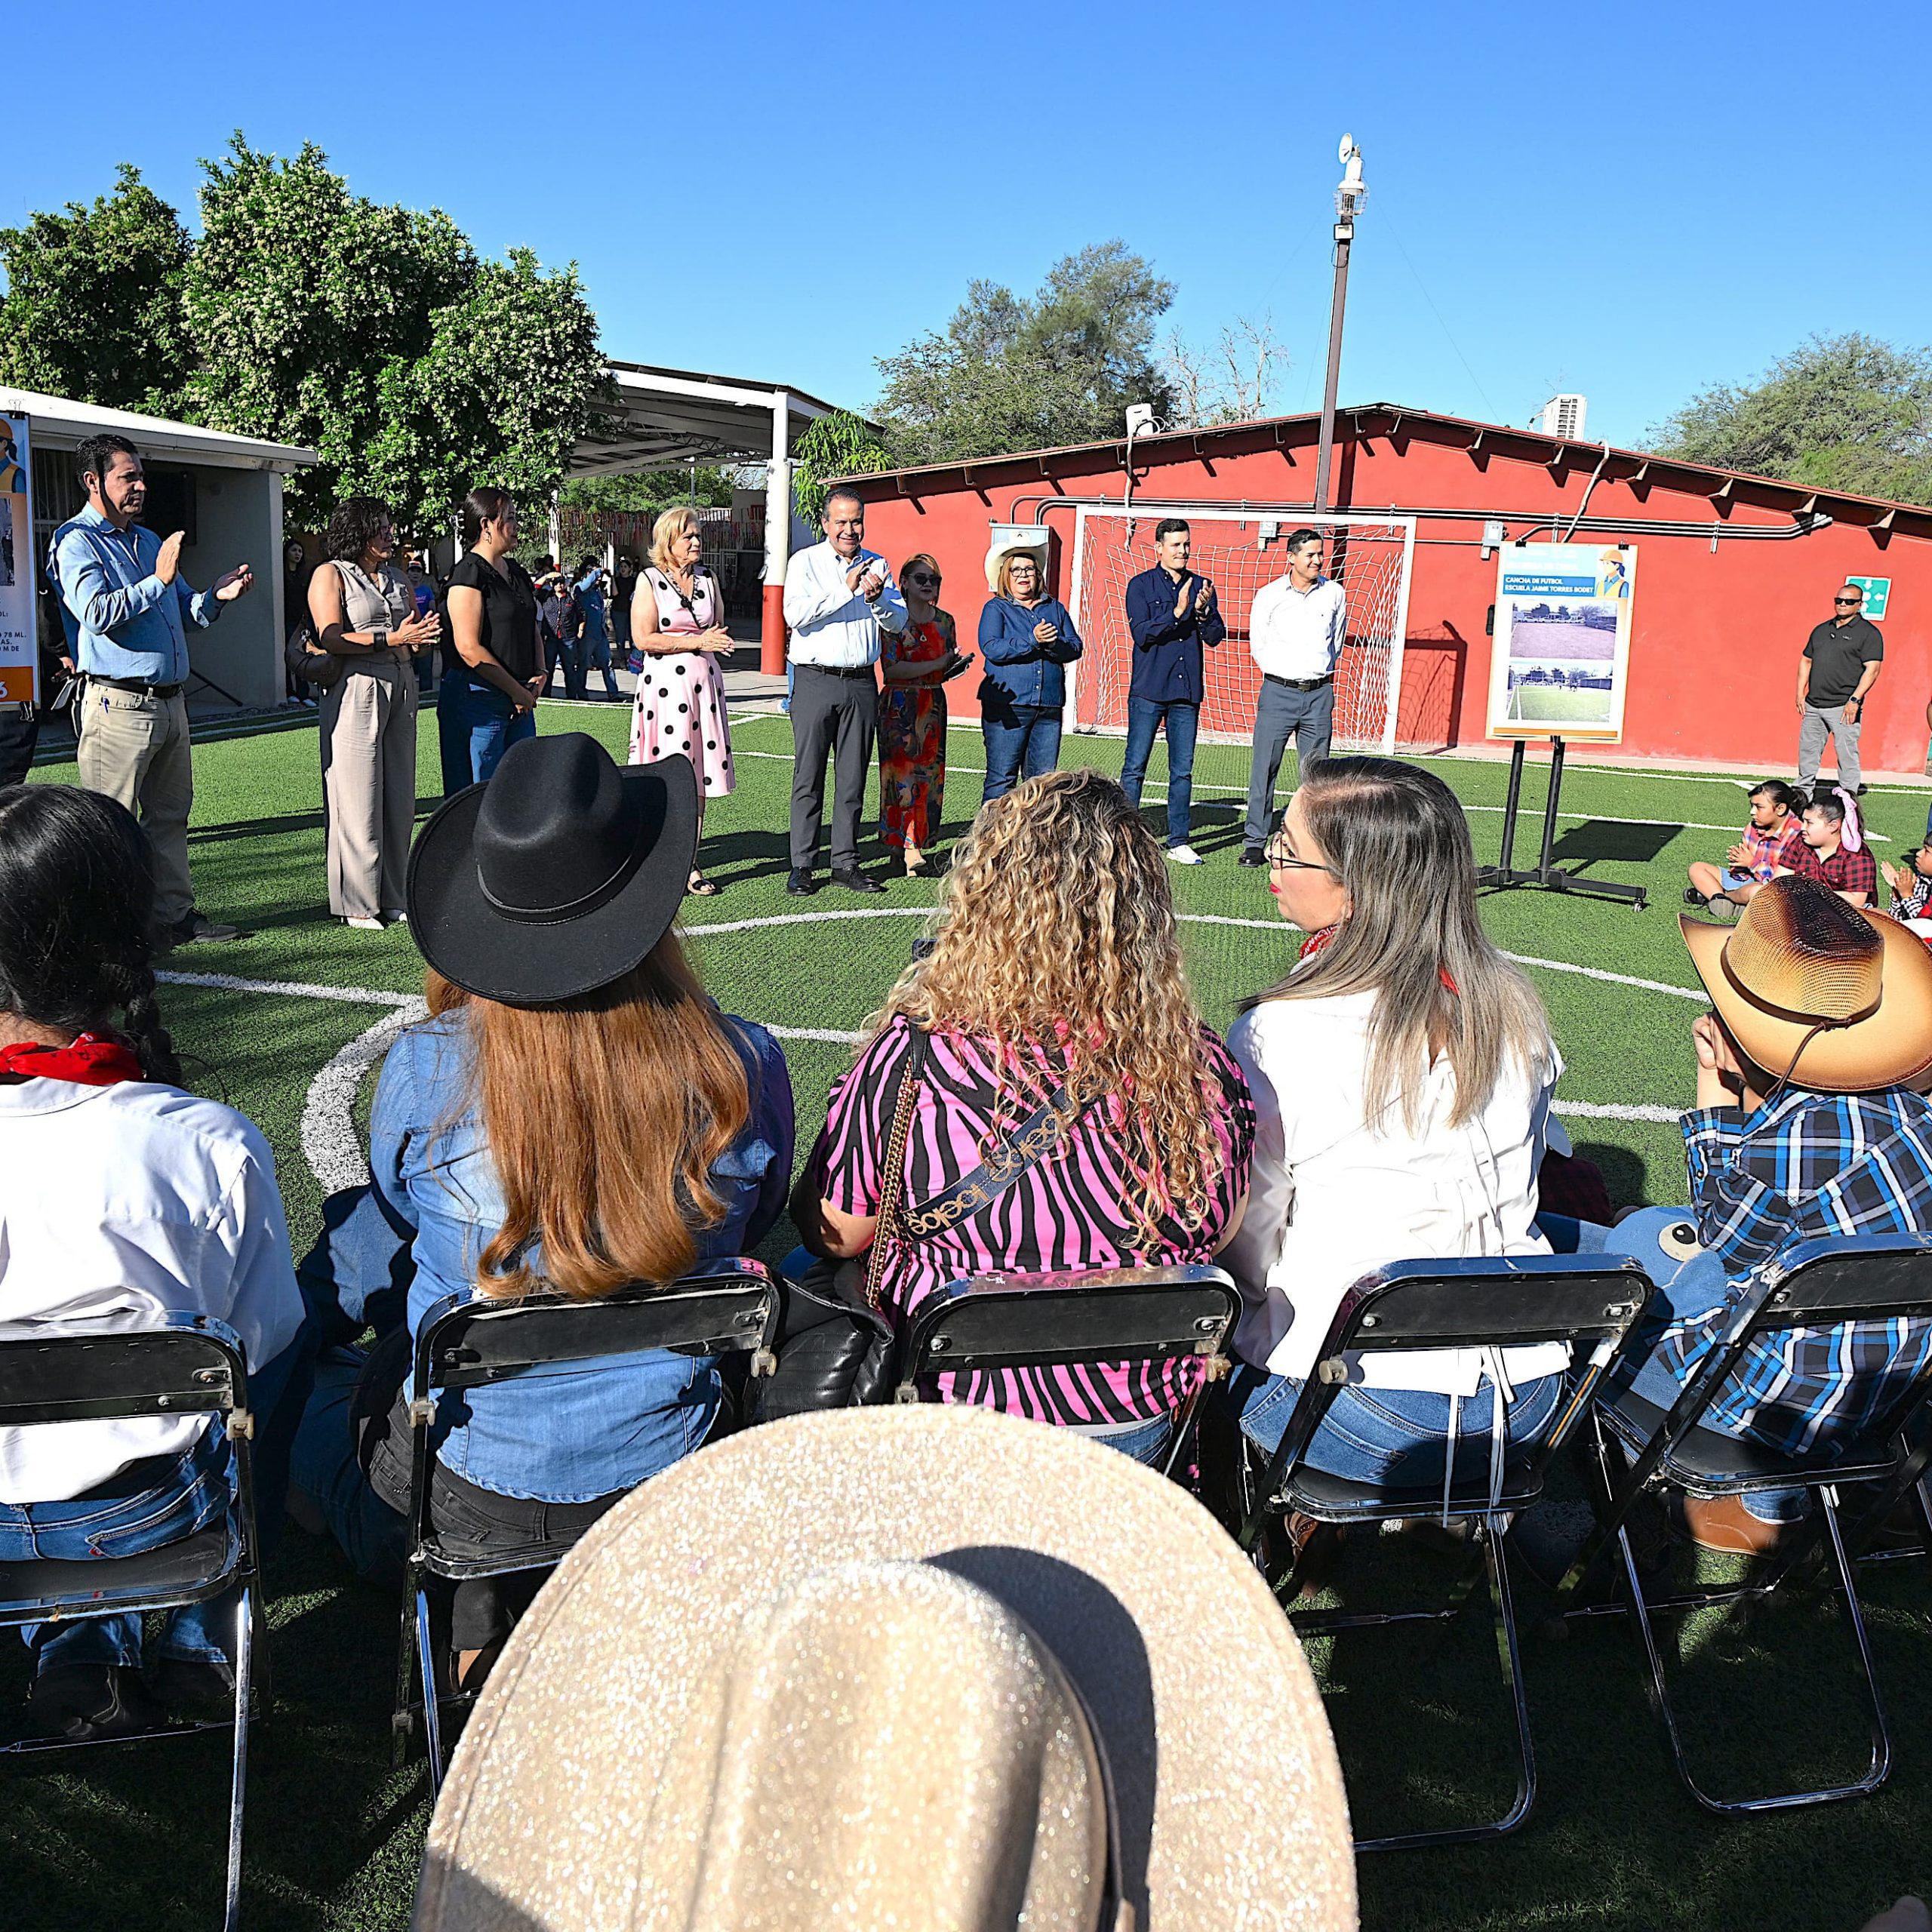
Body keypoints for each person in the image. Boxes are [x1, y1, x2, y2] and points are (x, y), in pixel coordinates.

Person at [411, 1407, 1358, 1932]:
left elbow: (837, 1221)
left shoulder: (910, 1076)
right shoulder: (1209, 1094)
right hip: (1140, 1429)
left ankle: (461, 1614)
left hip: (485, 1480)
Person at [291, 734, 793, 1684]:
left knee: (322, 1402)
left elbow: (398, 1210)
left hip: (474, 1480)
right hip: (666, 1468)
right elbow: (756, 1217)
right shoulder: (746, 1064)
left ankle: (470, 1602)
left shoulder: (425, 1067)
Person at [790, 768, 1254, 1465]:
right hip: (1136, 1418)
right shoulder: (1198, 1065)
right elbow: (1219, 1228)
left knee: (808, 1267)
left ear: (987, 902)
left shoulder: (918, 1057)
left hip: (958, 1405)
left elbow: (839, 1233)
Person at [0, 785, 306, 1740]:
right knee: (253, 1380)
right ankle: (198, 1634)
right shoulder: (205, 1141)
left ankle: (76, 1646)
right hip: (159, 1523)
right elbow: (263, 1348)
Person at [1223, 757, 1570, 1491]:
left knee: (1205, 1336)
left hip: (1365, 1407)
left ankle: (1300, 1519)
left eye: (1289, 848)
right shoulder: (1514, 1010)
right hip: (1534, 1401)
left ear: (1356, 888)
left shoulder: (1281, 1031)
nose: (1270, 862)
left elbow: (1247, 1237)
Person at [1561, 875, 1932, 1554]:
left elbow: (1719, 1242)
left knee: (1596, 1288)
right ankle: (1883, 1490)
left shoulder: (1795, 1139)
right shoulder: (1912, 1113)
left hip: (1771, 1413)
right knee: (1645, 1230)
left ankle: (1761, 1506)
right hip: (1881, 1397)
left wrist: (1712, 1086)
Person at [53, 432, 255, 947]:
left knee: (170, 817)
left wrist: (216, 595)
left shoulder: (147, 541)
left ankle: (174, 915)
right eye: (128, 476)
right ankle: (109, 931)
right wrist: (158, 581)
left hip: (170, 703)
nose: (141, 485)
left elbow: (186, 612)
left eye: (141, 475)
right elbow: (96, 614)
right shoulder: (75, 541)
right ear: (92, 481)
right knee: (109, 826)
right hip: (117, 705)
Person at [306, 497, 441, 931]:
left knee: (399, 794)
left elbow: (413, 632)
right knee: (357, 793)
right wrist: (389, 638)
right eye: (380, 526)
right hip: (357, 685)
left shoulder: (399, 577)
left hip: (402, 684)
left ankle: (395, 894)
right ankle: (357, 902)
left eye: (389, 525)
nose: (389, 533)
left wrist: (421, 638)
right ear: (357, 531)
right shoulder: (330, 575)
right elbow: (331, 636)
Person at [782, 488, 907, 896]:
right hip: (815, 678)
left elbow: (897, 620)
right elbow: (795, 615)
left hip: (860, 681)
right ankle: (802, 864)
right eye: (841, 522)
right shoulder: (805, 562)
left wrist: (875, 600)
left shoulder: (879, 563)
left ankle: (845, 863)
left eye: (856, 521)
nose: (849, 530)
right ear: (825, 524)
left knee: (852, 778)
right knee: (809, 775)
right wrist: (846, 590)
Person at [632, 507, 737, 897]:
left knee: (698, 774)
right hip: (665, 690)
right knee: (666, 773)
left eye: (697, 535)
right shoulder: (650, 580)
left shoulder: (709, 579)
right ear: (668, 542)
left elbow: (718, 626)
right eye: (688, 536)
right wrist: (697, 641)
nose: (696, 542)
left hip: (704, 688)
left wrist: (715, 641)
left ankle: (688, 861)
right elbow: (644, 639)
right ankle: (654, 856)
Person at [1121, 516, 1225, 866]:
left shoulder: (1203, 585)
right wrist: (1179, 611)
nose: (1183, 550)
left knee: (1182, 770)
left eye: (1186, 544)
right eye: (1176, 545)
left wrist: (1202, 612)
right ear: (1159, 548)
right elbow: (1144, 635)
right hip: (1149, 688)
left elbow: (1214, 637)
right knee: (1135, 766)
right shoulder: (1140, 585)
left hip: (1186, 692)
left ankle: (1179, 839)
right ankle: (1125, 837)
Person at [1240, 528, 1346, 865]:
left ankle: (1313, 842)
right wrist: (1282, 674)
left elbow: (1337, 641)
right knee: (1264, 769)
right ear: (1291, 557)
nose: (1317, 560)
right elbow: (1259, 643)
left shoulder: (1334, 594)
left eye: (1320, 553)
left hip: (1319, 695)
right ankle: (1255, 840)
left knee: (1317, 775)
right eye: (1310, 554)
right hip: (1278, 693)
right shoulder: (1269, 595)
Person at [438, 488, 543, 795]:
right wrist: (517, 691)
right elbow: (469, 649)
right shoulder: (467, 574)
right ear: (486, 525)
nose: (517, 525)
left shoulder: (517, 572)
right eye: (509, 518)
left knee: (519, 793)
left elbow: (531, 624)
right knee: (476, 794)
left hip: (520, 699)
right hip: (478, 699)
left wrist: (541, 672)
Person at [877, 551, 968, 873]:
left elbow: (943, 669)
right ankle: (908, 849)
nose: (929, 584)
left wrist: (953, 666)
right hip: (900, 706)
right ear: (904, 582)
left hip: (932, 704)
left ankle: (907, 845)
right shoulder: (894, 620)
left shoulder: (945, 622)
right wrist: (936, 665)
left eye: (934, 579)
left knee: (930, 776)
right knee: (900, 778)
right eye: (921, 578)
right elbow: (891, 669)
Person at [977, 540, 1080, 804]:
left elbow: (1075, 646)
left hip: (1048, 708)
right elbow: (992, 648)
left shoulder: (1054, 608)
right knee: (1002, 780)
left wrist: (1053, 644)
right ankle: (990, 843)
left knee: (1043, 784)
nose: (1024, 575)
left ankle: (1034, 843)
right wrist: (1033, 641)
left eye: (1030, 570)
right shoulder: (995, 608)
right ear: (1005, 575)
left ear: (1038, 575)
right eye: (1016, 570)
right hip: (1007, 707)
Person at [1798, 583, 1883, 797]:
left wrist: (1855, 700)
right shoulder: (1821, 630)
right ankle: (1802, 797)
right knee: (1807, 754)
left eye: (1849, 601)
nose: (1843, 604)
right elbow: (1806, 661)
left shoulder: (1869, 634)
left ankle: (1848, 799)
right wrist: (1800, 692)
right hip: (1814, 704)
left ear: (1860, 605)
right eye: (1839, 600)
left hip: (1843, 706)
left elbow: (1872, 670)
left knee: (1847, 754)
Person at [1684, 778, 1805, 922]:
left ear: (1780, 809)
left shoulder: (1797, 833)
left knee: (1756, 891)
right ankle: (1722, 899)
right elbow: (1742, 874)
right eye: (1752, 806)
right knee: (1697, 868)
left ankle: (1721, 898)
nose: (1752, 812)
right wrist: (1738, 863)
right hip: (1746, 882)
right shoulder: (1753, 827)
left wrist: (1752, 863)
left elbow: (1782, 881)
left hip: (1771, 889)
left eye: (1759, 807)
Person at [1776, 786, 1876, 907]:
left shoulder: (1858, 855)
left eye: (1809, 823)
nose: (1802, 827)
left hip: (1846, 917)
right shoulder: (1800, 842)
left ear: (1833, 826)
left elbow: (1856, 900)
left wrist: (1811, 895)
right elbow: (1778, 881)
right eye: (1803, 821)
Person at [574, 554, 620, 700]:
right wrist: (599, 571)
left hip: (600, 634)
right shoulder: (580, 588)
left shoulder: (597, 591)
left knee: (608, 664)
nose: (599, 578)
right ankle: (581, 694)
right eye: (594, 574)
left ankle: (613, 694)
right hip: (587, 634)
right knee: (583, 665)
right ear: (588, 573)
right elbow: (585, 585)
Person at [1883, 832, 1932, 938]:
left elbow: (1926, 923)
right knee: (1875, 914)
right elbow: (1897, 919)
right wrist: (1897, 892)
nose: (1919, 853)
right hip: (1912, 940)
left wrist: (1907, 895)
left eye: (1927, 851)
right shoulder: (1922, 879)